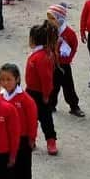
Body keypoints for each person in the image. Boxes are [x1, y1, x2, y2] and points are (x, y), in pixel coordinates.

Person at [0, 63, 38, 179]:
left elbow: (32, 120)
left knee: (24, 162)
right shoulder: (0, 97)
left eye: (9, 79)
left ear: (17, 79)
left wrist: (32, 138)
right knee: (10, 162)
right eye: (2, 79)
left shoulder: (25, 99)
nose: (5, 83)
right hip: (6, 137)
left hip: (22, 137)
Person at [25, 23, 59, 155]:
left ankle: (51, 140)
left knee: (45, 118)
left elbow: (46, 78)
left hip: (40, 93)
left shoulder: (42, 57)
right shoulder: (38, 54)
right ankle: (31, 139)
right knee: (30, 117)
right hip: (31, 91)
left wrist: (46, 94)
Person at [46, 3, 84, 117]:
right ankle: (51, 105)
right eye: (49, 18)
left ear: (60, 19)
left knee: (68, 86)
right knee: (52, 86)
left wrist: (69, 58)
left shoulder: (69, 33)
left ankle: (74, 106)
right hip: (52, 63)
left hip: (64, 64)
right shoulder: (49, 31)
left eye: (53, 18)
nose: (50, 21)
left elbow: (74, 46)